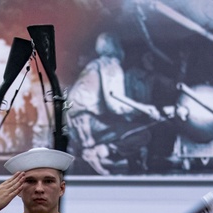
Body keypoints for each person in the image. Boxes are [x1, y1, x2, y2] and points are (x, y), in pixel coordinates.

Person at [68, 33, 162, 175]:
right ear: (117, 47)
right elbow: (115, 102)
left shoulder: (94, 65)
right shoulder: (111, 64)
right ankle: (100, 152)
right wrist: (145, 109)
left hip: (75, 121)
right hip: (87, 119)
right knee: (142, 133)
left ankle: (95, 152)